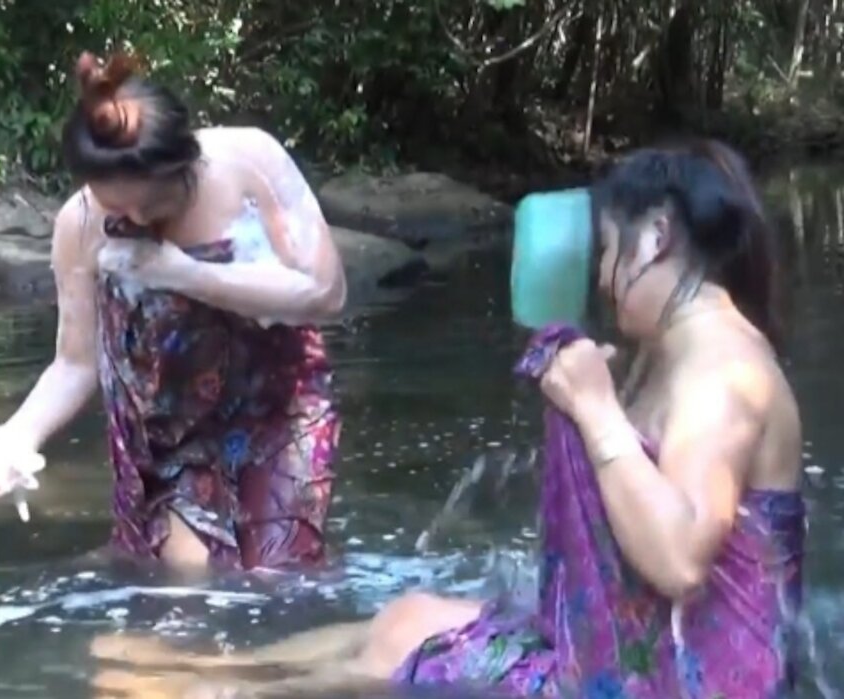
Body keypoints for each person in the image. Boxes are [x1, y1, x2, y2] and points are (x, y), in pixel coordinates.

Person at [88, 140, 806, 698]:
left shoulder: (724, 370)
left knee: (402, 641)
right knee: (410, 611)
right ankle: (227, 667)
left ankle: (216, 688)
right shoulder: (679, 349)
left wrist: (596, 410)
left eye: (610, 253)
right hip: (648, 651)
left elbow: (679, 560)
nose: (601, 280)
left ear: (656, 238)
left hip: (690, 680)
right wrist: (602, 404)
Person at [0, 52, 346, 571]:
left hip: (278, 406)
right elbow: (75, 364)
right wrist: (15, 439)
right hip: (163, 432)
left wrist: (184, 274)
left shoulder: (249, 164)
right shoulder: (79, 224)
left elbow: (326, 292)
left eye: (154, 201)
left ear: (186, 160)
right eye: (117, 208)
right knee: (184, 582)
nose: (139, 219)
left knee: (279, 582)